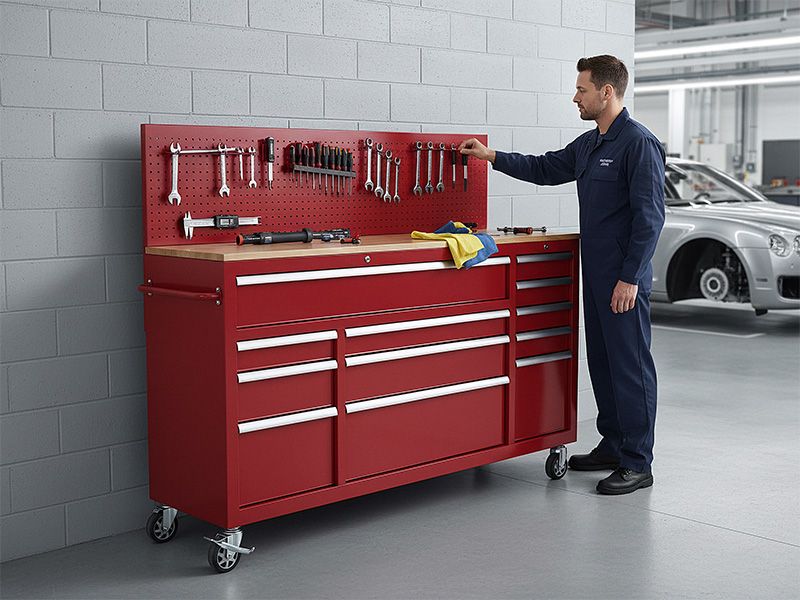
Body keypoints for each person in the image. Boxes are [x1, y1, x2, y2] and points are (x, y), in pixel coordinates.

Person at [459, 55, 665, 495]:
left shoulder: (638, 144)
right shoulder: (590, 145)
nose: (575, 97)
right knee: (603, 364)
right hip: (596, 276)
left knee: (631, 367)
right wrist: (491, 156)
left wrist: (630, 278)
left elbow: (650, 219)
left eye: (581, 89)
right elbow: (544, 167)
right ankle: (613, 445)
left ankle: (638, 461)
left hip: (623, 281)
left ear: (606, 92)